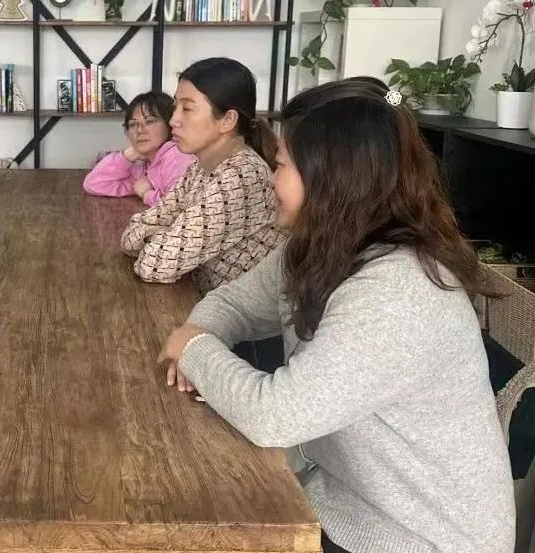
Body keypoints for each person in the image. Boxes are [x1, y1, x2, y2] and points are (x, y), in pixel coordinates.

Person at [157, 80, 514, 552]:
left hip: (414, 539)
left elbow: (274, 415)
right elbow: (235, 302)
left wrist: (193, 349)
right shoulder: (320, 248)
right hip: (339, 500)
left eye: (280, 165)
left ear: (330, 177)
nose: (271, 180)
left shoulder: (397, 290)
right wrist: (199, 331)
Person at [120, 58, 283, 294]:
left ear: (228, 120)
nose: (173, 120)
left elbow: (154, 265)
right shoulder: (200, 167)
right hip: (200, 300)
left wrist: (161, 235)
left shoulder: (241, 178)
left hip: (237, 315)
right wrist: (163, 235)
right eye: (175, 107)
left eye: (187, 109)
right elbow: (131, 233)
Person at [82, 91, 194, 206]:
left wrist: (147, 194)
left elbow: (179, 206)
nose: (139, 130)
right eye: (132, 124)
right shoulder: (145, 166)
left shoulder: (177, 156)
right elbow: (93, 184)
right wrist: (127, 156)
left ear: (170, 124)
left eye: (149, 121)